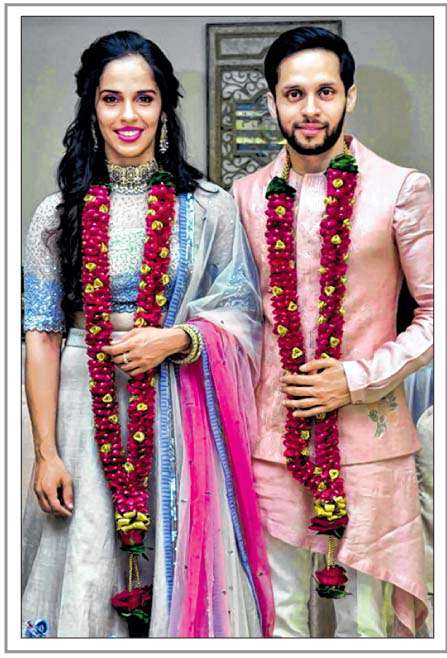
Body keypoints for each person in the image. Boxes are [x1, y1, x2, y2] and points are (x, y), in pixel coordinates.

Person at [22, 30, 274, 638]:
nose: (128, 115)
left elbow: (242, 310)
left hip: (177, 407)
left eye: (144, 98)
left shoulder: (207, 206)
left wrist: (178, 340)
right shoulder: (57, 214)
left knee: (172, 547)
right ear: (91, 107)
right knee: (84, 556)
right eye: (111, 99)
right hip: (82, 405)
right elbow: (42, 333)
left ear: (164, 106)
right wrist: (46, 451)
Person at [232, 26, 433, 638]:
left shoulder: (401, 189)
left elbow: (437, 313)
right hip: (275, 441)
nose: (310, 109)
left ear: (351, 96)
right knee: (281, 620)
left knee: (362, 627)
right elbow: (240, 315)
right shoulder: (245, 196)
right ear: (273, 102)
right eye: (294, 94)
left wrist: (355, 378)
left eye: (326, 91)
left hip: (370, 442)